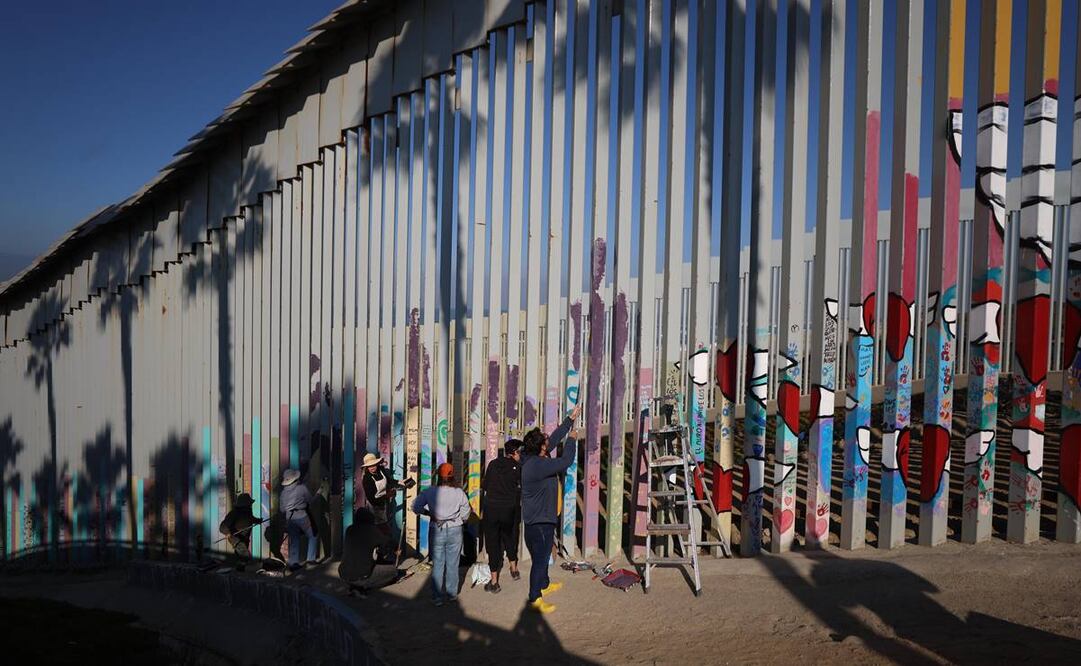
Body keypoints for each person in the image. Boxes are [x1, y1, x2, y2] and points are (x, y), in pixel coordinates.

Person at [520, 401, 581, 614]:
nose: (549, 441)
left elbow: (553, 440)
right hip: (539, 522)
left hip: (539, 520)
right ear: (541, 448)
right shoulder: (538, 465)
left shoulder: (532, 457)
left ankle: (544, 585)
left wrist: (569, 420)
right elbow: (566, 461)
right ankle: (535, 596)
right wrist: (572, 440)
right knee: (540, 559)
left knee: (544, 556)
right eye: (545, 442)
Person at [411, 462, 472, 607]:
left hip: (436, 528)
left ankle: (437, 597)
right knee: (453, 563)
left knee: (438, 564)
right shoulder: (459, 493)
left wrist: (429, 513)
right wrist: (459, 519)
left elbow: (415, 507)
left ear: (438, 476)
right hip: (455, 528)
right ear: (452, 476)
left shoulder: (429, 492)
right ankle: (451, 594)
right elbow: (466, 513)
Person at [481, 439, 523, 592]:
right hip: (508, 509)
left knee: (492, 543)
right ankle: (514, 569)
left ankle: (494, 581)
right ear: (512, 453)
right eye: (520, 452)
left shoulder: (492, 464)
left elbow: (485, 486)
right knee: (509, 537)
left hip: (491, 509)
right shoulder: (518, 467)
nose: (521, 455)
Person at [339, 507, 399, 594]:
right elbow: (387, 542)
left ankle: (356, 585)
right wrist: (396, 548)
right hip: (362, 575)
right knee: (393, 571)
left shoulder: (350, 529)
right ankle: (363, 585)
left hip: (343, 574)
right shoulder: (371, 530)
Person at [279, 468, 319, 570]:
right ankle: (310, 559)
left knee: (294, 539)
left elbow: (282, 509)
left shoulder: (283, 493)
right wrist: (318, 494)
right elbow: (310, 501)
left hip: (289, 518)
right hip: (302, 516)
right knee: (313, 535)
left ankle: (293, 563)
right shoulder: (301, 488)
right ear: (295, 479)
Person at [361, 453, 404, 532]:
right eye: (370, 466)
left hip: (384, 502)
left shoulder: (381, 470)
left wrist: (400, 482)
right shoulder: (367, 479)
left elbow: (389, 480)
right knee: (379, 529)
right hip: (374, 507)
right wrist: (387, 496)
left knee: (385, 524)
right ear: (367, 467)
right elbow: (371, 499)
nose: (372, 467)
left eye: (374, 464)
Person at [219, 493, 261, 570]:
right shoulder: (234, 513)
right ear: (244, 505)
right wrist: (227, 532)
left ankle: (239, 570)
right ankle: (248, 571)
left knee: (240, 557)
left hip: (245, 537)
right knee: (244, 554)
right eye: (249, 504)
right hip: (235, 538)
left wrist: (258, 520)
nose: (250, 505)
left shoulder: (248, 512)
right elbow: (222, 526)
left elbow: (251, 519)